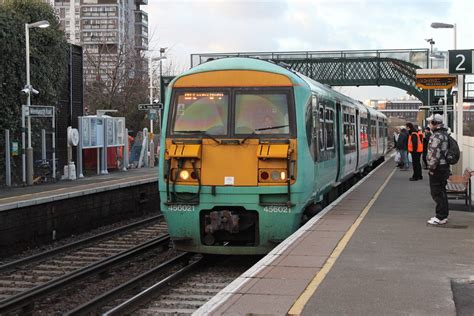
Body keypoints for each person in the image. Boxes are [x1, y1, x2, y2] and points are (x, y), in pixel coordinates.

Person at [426, 114, 450, 225]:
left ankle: (440, 217)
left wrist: (431, 168)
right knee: (442, 192)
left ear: (435, 123)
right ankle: (443, 216)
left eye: (430, 122)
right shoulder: (445, 134)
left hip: (437, 168)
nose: (429, 124)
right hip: (444, 167)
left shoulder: (436, 136)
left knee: (436, 193)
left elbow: (434, 154)